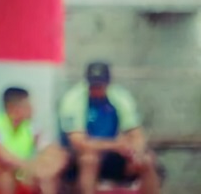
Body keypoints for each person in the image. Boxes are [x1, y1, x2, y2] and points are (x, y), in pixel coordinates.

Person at [57, 62, 161, 194]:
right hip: (81, 154)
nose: (96, 89)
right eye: (93, 85)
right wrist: (114, 145)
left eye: (100, 85)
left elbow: (136, 133)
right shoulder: (73, 99)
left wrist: (136, 151)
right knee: (89, 159)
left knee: (146, 160)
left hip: (114, 152)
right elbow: (78, 142)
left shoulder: (120, 97)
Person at [0, 88, 67, 194]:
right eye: (28, 106)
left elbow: (51, 149)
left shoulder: (29, 127)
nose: (33, 110)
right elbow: (3, 156)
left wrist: (48, 164)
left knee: (47, 174)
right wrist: (33, 168)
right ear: (13, 108)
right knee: (5, 173)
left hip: (17, 177)